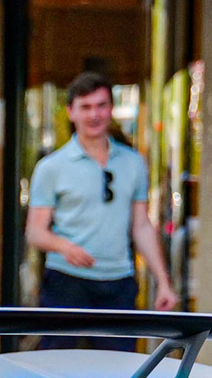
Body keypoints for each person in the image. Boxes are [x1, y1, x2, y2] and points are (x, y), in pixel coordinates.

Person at [26, 72, 178, 348]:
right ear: (71, 112)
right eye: (85, 107)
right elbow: (35, 232)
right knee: (55, 373)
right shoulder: (51, 167)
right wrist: (64, 246)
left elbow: (141, 226)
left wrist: (163, 282)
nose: (94, 114)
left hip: (118, 283)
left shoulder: (134, 163)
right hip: (66, 282)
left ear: (111, 109)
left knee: (120, 374)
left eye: (101, 105)